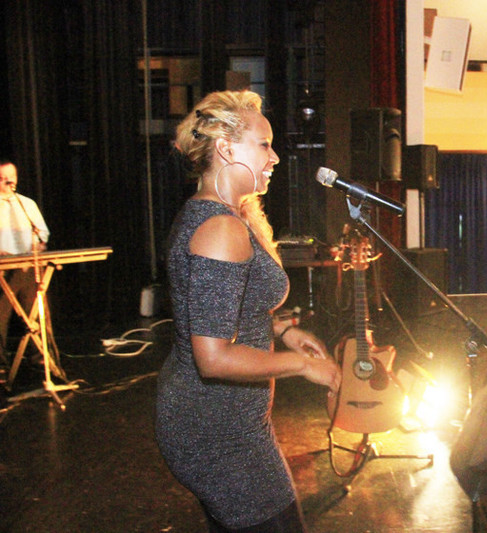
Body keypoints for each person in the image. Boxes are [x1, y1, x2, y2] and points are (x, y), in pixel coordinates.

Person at [154, 90, 341, 533]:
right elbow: (213, 358)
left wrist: (281, 330)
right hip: (215, 431)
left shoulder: (219, 214)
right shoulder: (220, 229)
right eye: (264, 145)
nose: (274, 157)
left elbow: (218, 310)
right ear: (225, 149)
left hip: (227, 420)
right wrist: (302, 366)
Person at [0, 158, 50, 358]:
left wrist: (39, 244)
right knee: (1, 315)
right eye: (2, 177)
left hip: (28, 266)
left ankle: (40, 356)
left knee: (36, 313)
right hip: (3, 270)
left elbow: (42, 232)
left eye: (11, 176)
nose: (8, 181)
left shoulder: (26, 203)